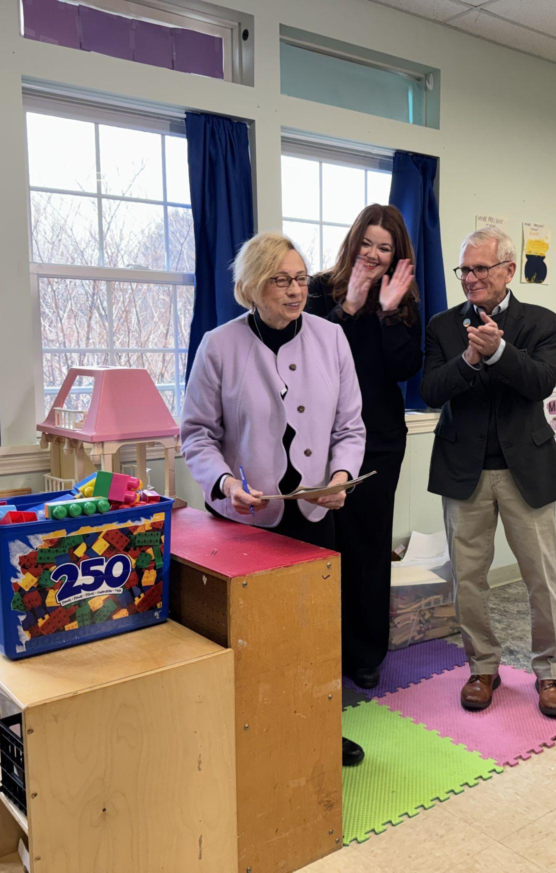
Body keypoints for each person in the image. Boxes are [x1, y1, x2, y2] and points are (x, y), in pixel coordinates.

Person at [180, 231, 368, 765]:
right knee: (257, 636)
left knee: (314, 631)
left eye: (301, 279)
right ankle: (258, 735)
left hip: (314, 512)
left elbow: (351, 428)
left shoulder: (332, 339)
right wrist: (223, 484)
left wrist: (340, 475)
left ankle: (319, 727)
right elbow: (196, 434)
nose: (294, 290)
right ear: (251, 287)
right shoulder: (219, 345)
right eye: (280, 280)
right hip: (247, 518)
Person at [421, 226, 556, 718]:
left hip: (523, 470)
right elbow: (430, 391)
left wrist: (501, 352)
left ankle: (551, 674)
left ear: (509, 270)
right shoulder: (443, 328)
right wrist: (470, 357)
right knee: (468, 579)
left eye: (480, 268)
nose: (470, 278)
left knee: (542, 578)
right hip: (462, 470)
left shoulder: (540, 322)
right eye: (464, 269)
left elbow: (540, 383)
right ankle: (482, 667)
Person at [305, 204, 422, 690]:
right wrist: (348, 308)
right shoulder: (315, 290)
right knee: (323, 548)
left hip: (379, 442)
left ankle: (367, 654)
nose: (373, 255)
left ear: (397, 256)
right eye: (367, 243)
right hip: (318, 442)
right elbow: (307, 357)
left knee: (370, 548)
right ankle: (320, 649)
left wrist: (390, 312)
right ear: (353, 242)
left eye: (385, 247)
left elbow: (402, 369)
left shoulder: (404, 301)